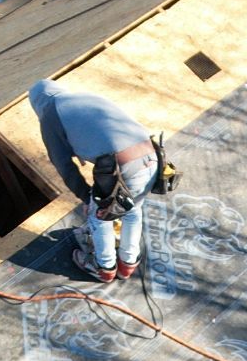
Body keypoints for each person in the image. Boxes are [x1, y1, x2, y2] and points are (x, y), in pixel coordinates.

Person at [30, 78, 158, 282]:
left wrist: (86, 198)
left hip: (123, 166)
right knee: (133, 210)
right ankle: (127, 264)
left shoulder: (50, 116)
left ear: (37, 103)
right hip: (152, 157)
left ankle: (104, 267)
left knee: (100, 217)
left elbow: (63, 165)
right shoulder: (84, 97)